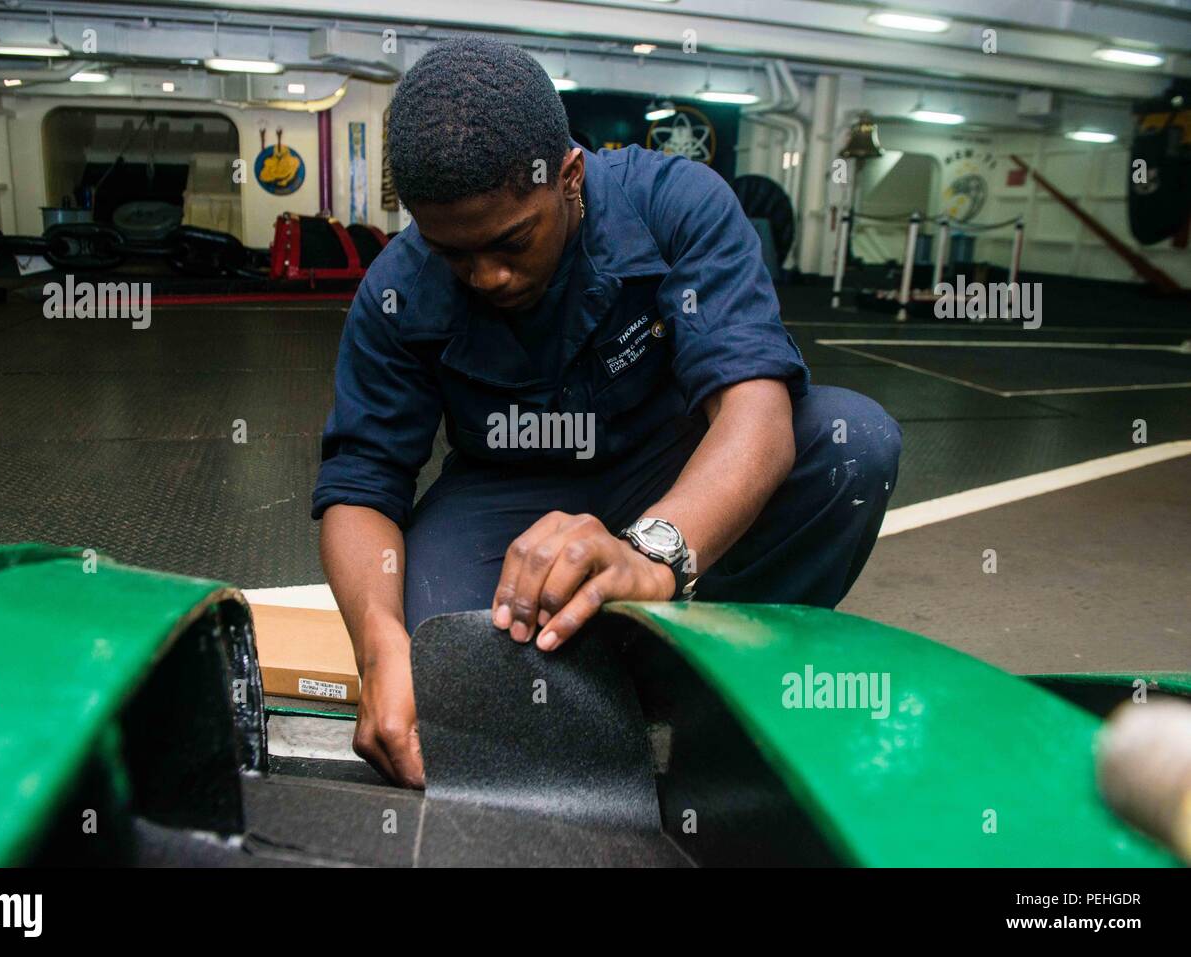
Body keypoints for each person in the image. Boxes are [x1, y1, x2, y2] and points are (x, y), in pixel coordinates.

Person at [312, 37, 901, 788]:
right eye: (454, 252)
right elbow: (360, 484)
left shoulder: (678, 205)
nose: (486, 275)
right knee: (435, 653)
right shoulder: (398, 289)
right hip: (507, 488)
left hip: (674, 467)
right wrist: (377, 644)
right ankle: (590, 671)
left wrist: (655, 555)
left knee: (855, 445)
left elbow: (757, 411)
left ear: (570, 177)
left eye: (511, 242)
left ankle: (696, 673)